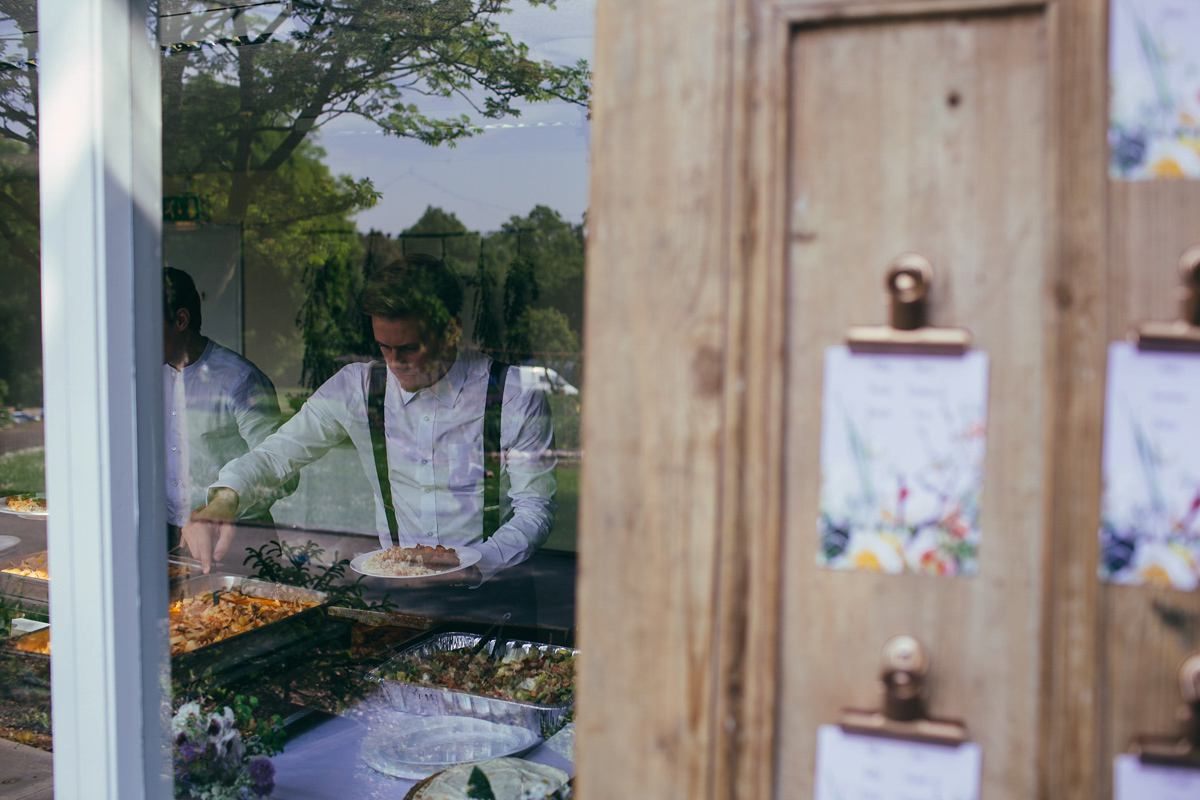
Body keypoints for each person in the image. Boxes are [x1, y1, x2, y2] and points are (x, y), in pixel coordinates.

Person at [181, 255, 557, 585]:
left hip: (497, 587)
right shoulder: (356, 388)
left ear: (452, 329)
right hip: (403, 591)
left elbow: (535, 508)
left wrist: (478, 565)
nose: (395, 361)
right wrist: (226, 498)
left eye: (410, 348)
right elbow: (277, 454)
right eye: (384, 346)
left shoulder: (513, 394)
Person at [163, 267, 288, 546]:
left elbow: (283, 470)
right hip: (167, 536)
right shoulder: (142, 378)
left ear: (181, 319)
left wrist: (224, 504)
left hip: (238, 540)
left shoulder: (241, 380)